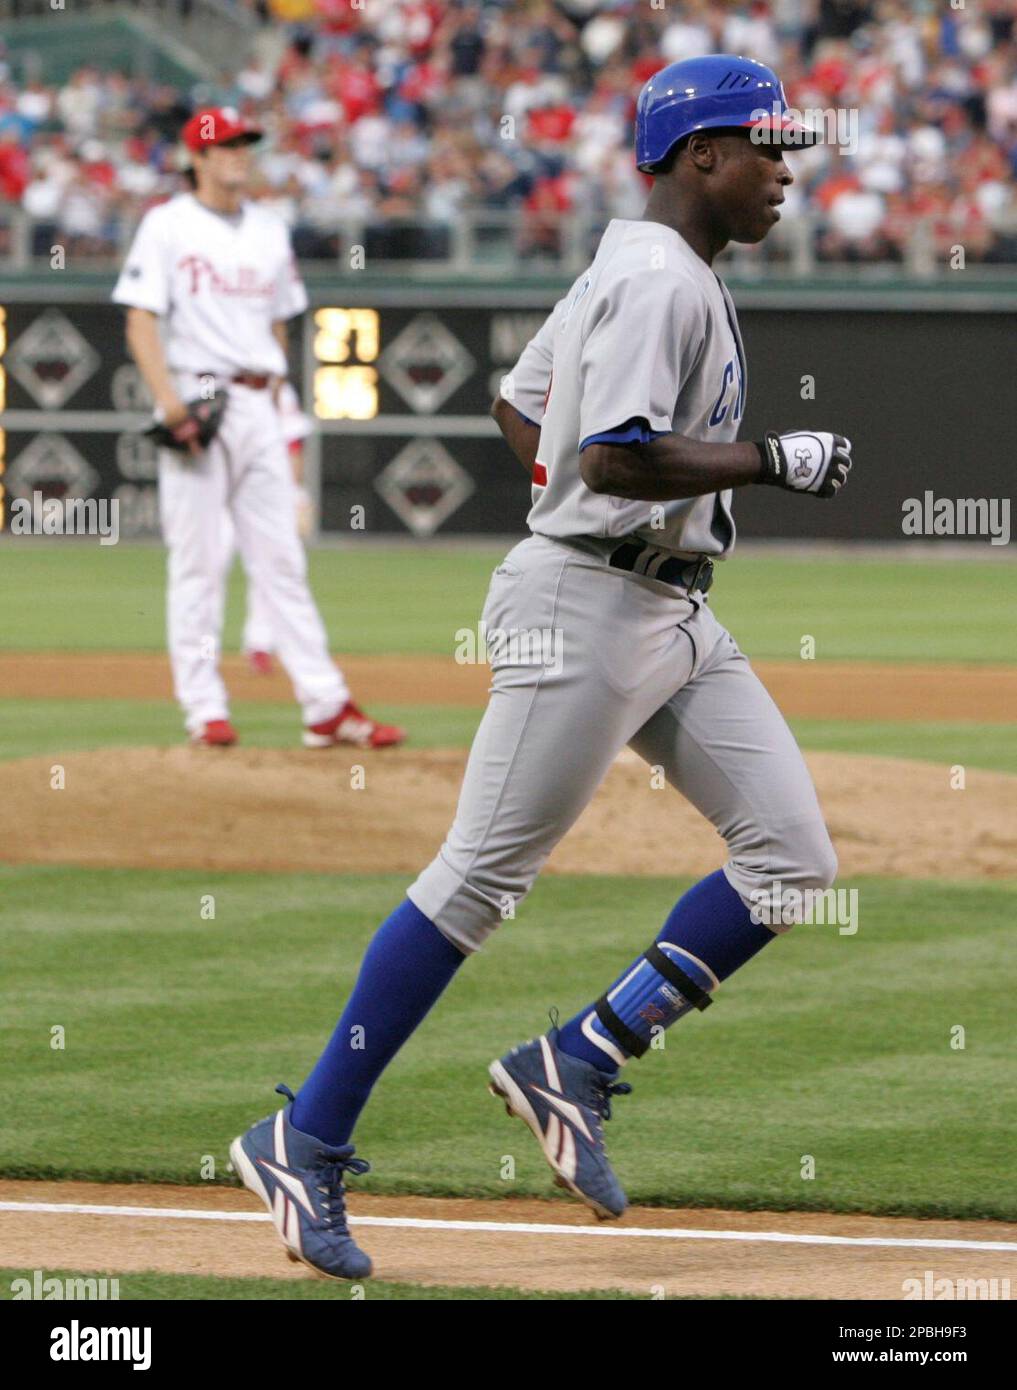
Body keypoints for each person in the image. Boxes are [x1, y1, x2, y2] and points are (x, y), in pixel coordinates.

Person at [230, 56, 853, 1281]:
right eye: (765, 147)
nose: (787, 170)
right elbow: (612, 460)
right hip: (584, 602)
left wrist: (578, 478)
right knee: (477, 881)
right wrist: (768, 460)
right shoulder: (659, 280)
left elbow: (524, 412)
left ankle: (581, 1055)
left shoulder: (645, 264)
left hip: (667, 609)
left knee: (793, 861)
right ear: (698, 156)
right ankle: (302, 1135)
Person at [112, 106, 404, 750]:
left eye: (246, 143)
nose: (240, 153)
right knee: (199, 562)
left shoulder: (270, 229)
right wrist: (168, 403)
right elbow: (140, 319)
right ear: (197, 158)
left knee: (282, 561)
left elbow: (278, 321)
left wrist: (277, 400)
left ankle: (325, 706)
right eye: (227, 146)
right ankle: (203, 708)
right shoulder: (167, 225)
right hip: (198, 394)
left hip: (257, 401)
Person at [218, 381, 315, 677]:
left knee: (272, 566)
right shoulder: (205, 380)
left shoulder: (278, 390)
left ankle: (259, 644)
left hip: (262, 495)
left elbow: (293, 444)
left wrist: (294, 491)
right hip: (216, 492)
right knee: (210, 566)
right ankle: (200, 652)